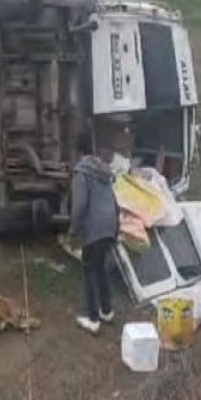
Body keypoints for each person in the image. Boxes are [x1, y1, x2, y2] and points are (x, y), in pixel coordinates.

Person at [69, 139, 120, 334]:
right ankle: (107, 310)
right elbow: (115, 204)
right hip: (110, 225)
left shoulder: (81, 172)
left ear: (78, 152)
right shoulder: (103, 172)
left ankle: (92, 319)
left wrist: (73, 231)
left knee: (89, 269)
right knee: (100, 268)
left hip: (95, 228)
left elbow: (79, 205)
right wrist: (115, 229)